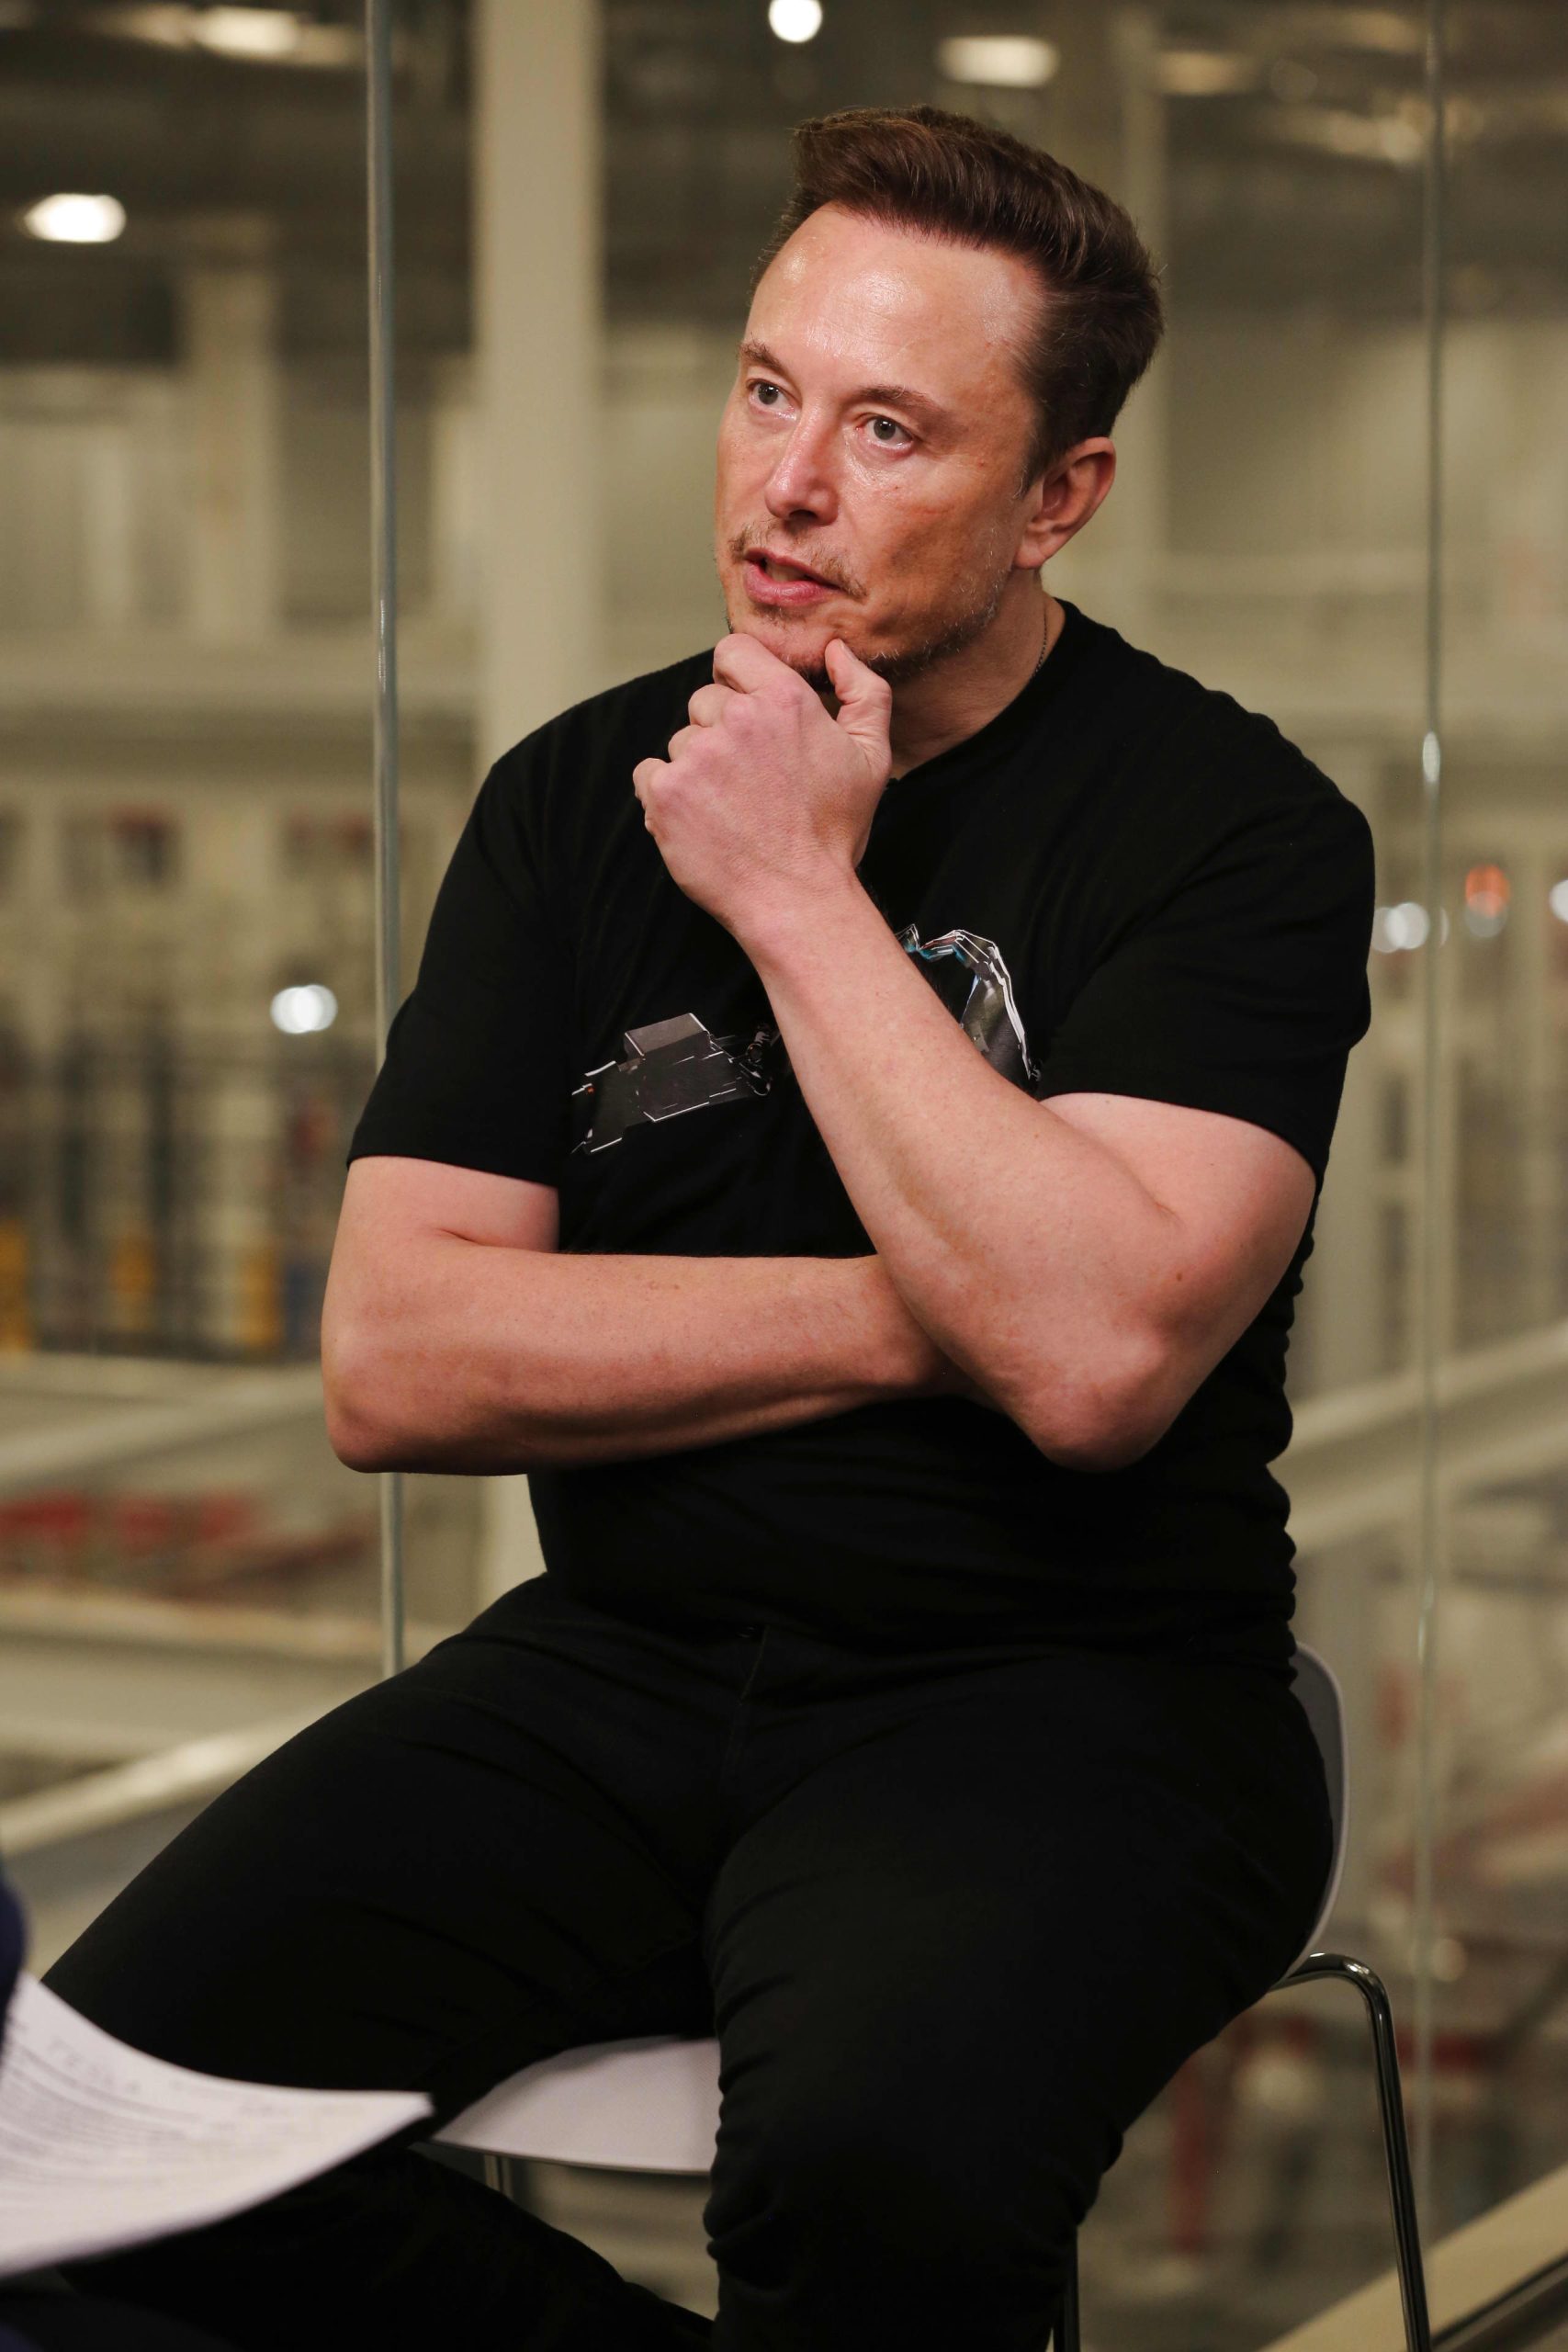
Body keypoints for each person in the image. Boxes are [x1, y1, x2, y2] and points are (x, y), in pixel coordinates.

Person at [46, 106, 1371, 2351]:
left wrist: (787, 888)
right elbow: (397, 1356)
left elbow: (1088, 1371)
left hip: (1072, 1691)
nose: (785, 484)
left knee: (872, 2174)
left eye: (887, 428)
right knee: (85, 2136)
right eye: (766, 390)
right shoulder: (574, 799)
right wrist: (950, 1296)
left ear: (1057, 494)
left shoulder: (1232, 829)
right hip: (623, 1660)